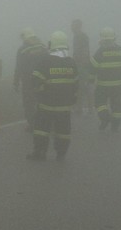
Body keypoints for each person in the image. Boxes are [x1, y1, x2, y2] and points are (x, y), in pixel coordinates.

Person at [27, 30, 79, 161]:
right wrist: (72, 98)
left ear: (51, 44)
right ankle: (61, 153)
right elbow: (75, 84)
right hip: (64, 107)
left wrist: (40, 92)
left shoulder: (45, 62)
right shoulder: (71, 63)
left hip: (46, 105)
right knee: (63, 130)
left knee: (41, 129)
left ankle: (39, 152)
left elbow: (35, 81)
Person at [90, 27, 121, 132]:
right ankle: (115, 125)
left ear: (102, 40)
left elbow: (92, 68)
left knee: (100, 103)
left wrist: (90, 81)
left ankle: (105, 118)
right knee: (116, 105)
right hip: (117, 86)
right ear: (114, 38)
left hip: (102, 86)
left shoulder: (100, 51)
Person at [13, 29, 47, 132]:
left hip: (29, 81)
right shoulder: (43, 47)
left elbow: (19, 67)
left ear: (25, 38)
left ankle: (32, 124)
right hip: (44, 79)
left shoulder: (23, 49)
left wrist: (16, 82)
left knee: (29, 103)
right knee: (43, 100)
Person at [70, 19, 93, 116]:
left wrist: (81, 64)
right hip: (80, 64)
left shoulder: (81, 36)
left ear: (78, 26)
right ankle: (84, 108)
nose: (71, 28)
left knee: (82, 86)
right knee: (81, 86)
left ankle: (86, 108)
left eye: (73, 26)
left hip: (82, 65)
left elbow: (84, 51)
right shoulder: (77, 36)